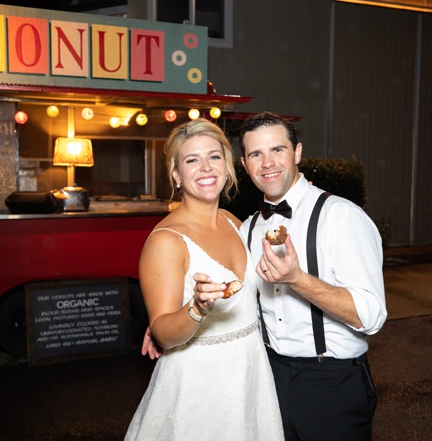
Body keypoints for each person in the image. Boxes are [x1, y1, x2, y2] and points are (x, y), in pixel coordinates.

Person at [212, 112, 384, 439]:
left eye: (277, 149)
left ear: (298, 153)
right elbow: (237, 301)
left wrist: (297, 279)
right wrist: (175, 320)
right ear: (245, 165)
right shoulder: (247, 229)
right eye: (255, 154)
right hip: (269, 378)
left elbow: (372, 316)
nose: (267, 163)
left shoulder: (342, 217)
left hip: (331, 383)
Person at [124, 120, 282, 440]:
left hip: (249, 371)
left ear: (226, 166)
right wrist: (194, 308)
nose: (205, 168)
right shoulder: (165, 241)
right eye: (192, 160)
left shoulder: (233, 221)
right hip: (200, 386)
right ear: (176, 174)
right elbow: (165, 335)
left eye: (214, 156)